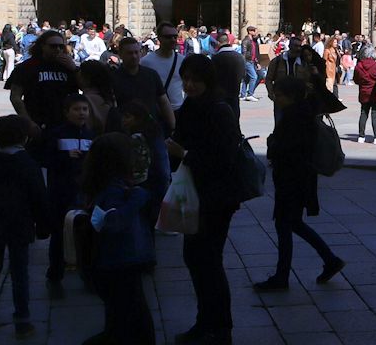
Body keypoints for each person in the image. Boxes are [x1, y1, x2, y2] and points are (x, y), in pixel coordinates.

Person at [166, 53, 247, 345]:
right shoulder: (191, 105)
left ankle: (221, 328)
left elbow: (223, 158)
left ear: (208, 79)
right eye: (185, 79)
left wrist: (183, 154)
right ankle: (205, 322)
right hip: (196, 192)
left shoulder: (219, 109)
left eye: (195, 80)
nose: (189, 85)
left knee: (209, 261)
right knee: (195, 258)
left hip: (217, 198)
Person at [255, 77, 346, 290]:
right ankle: (329, 260)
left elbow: (286, 149)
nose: (276, 99)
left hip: (292, 179)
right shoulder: (303, 111)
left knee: (285, 224)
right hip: (299, 178)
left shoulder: (296, 117)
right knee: (292, 223)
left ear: (292, 96)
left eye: (279, 96)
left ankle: (282, 276)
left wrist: (273, 145)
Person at [0, 114, 50, 338]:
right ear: (24, 138)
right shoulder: (27, 164)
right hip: (20, 224)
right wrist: (44, 225)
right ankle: (22, 318)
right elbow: (39, 197)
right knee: (20, 271)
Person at [81, 133, 156, 345]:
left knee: (122, 310)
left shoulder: (101, 183)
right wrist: (138, 198)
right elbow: (115, 222)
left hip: (114, 261)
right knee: (135, 314)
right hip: (121, 261)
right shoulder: (114, 188)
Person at [42, 93, 96, 288]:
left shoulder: (91, 135)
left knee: (85, 232)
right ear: (66, 112)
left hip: (83, 191)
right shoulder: (57, 134)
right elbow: (47, 159)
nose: (81, 113)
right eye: (76, 109)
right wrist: (65, 158)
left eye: (84, 109)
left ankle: (87, 273)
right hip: (61, 192)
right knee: (58, 232)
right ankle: (55, 270)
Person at [5, 28, 81, 149]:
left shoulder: (68, 67)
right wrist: (27, 121)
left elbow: (85, 88)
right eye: (53, 46)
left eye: (61, 46)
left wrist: (74, 68)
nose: (58, 49)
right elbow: (15, 96)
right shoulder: (27, 67)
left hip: (66, 124)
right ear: (42, 46)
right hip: (38, 123)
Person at [110, 35, 175, 134]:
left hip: (152, 130)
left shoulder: (151, 75)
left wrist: (173, 127)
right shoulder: (113, 78)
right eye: (130, 53)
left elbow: (164, 102)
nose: (134, 56)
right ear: (120, 54)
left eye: (136, 52)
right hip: (125, 132)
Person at [138, 24, 185, 117]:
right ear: (159, 38)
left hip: (179, 110)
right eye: (168, 37)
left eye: (175, 36)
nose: (172, 39)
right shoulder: (146, 62)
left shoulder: (182, 60)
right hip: (156, 112)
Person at [353, 44, 376, 143]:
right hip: (375, 93)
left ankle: (361, 136)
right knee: (375, 114)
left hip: (363, 92)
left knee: (363, 113)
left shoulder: (359, 66)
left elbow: (356, 80)